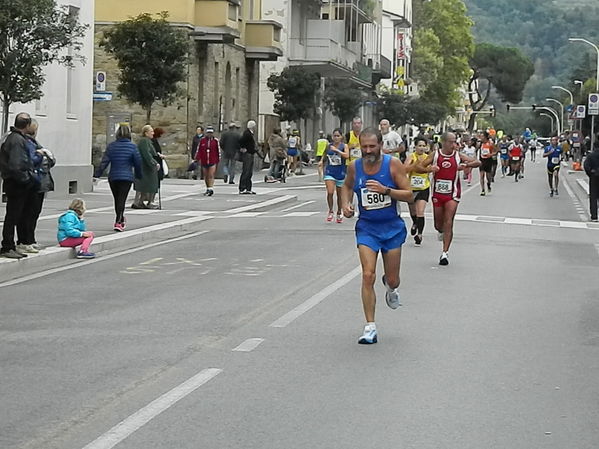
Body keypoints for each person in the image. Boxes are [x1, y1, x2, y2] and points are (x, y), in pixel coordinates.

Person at [341, 128, 413, 345]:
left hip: (391, 228)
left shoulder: (392, 165)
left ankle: (391, 287)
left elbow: (409, 195)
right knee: (368, 275)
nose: (368, 150)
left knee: (392, 278)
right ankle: (370, 326)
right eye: (364, 147)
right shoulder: (355, 167)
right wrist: (346, 204)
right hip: (367, 228)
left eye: (372, 146)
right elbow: (346, 186)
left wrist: (386, 191)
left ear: (381, 145)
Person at [415, 132, 481, 265]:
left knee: (448, 221)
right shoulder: (436, 155)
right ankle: (441, 231)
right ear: (443, 142)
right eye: (451, 142)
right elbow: (419, 167)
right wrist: (430, 169)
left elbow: (478, 162)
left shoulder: (457, 155)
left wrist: (466, 166)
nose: (454, 144)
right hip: (437, 194)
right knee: (438, 224)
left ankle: (445, 253)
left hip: (453, 194)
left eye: (455, 142)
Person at [0, 113, 38, 259]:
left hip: (14, 182)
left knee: (15, 215)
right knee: (13, 215)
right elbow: (17, 165)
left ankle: (9, 245)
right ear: (27, 126)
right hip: (16, 183)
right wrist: (27, 179)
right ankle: (7, 246)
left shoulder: (13, 138)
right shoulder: (17, 140)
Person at [17, 119, 55, 253]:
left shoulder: (34, 143)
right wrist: (42, 155)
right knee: (28, 214)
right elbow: (33, 161)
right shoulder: (27, 143)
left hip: (39, 182)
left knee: (33, 213)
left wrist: (45, 156)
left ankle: (30, 240)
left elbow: (51, 160)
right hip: (34, 182)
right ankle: (25, 240)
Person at [95, 124, 142, 231]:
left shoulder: (111, 146)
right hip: (126, 177)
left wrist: (97, 174)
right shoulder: (132, 147)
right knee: (122, 199)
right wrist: (139, 175)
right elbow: (138, 163)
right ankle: (119, 221)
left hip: (113, 177)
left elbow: (104, 162)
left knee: (117, 199)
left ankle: (119, 218)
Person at [405, 137, 431, 245]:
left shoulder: (428, 158)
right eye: (419, 146)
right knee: (413, 212)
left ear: (426, 147)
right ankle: (415, 223)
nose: (421, 148)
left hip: (424, 187)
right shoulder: (411, 157)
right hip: (412, 188)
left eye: (423, 146)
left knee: (420, 211)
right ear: (415, 147)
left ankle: (419, 235)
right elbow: (405, 169)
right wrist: (414, 165)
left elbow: (431, 169)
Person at [320, 128, 349, 223]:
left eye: (338, 136)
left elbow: (346, 156)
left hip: (340, 172)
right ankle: (330, 210)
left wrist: (337, 151)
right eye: (334, 136)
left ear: (341, 137)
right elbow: (324, 156)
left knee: (340, 195)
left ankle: (339, 212)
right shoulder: (329, 146)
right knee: (330, 192)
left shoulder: (344, 146)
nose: (336, 138)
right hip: (330, 171)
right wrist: (321, 161)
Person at [132, 125, 160, 209]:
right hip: (146, 168)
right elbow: (146, 154)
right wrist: (154, 163)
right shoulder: (144, 141)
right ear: (146, 133)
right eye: (151, 131)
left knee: (144, 185)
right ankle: (147, 202)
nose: (153, 133)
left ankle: (140, 202)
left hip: (146, 167)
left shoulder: (146, 141)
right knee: (148, 185)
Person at [195, 125, 220, 196]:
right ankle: (207, 188)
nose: (209, 134)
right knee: (206, 175)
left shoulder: (215, 141)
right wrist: (197, 158)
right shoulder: (202, 141)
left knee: (211, 174)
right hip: (204, 160)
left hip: (212, 160)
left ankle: (211, 188)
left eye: (211, 133)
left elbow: (218, 151)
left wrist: (218, 160)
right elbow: (199, 150)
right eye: (208, 133)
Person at [239, 120, 257, 194]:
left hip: (250, 153)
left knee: (249, 172)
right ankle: (242, 188)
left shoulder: (250, 133)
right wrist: (243, 148)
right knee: (246, 171)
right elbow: (241, 141)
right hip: (248, 154)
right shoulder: (247, 134)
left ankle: (248, 188)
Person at [583, 133, 599, 221]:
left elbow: (586, 166)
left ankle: (594, 216)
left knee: (593, 197)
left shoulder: (591, 155)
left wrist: (591, 173)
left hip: (594, 177)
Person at [151, 127, 167, 207]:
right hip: (156, 162)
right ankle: (151, 200)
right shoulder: (153, 141)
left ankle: (152, 199)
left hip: (158, 162)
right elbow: (154, 152)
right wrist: (159, 155)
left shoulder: (155, 141)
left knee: (157, 182)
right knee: (155, 182)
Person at [478, 131, 496, 196]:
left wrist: (490, 155)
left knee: (488, 176)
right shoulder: (480, 144)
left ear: (485, 137)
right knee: (481, 176)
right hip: (482, 160)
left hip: (488, 160)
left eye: (482, 136)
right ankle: (482, 190)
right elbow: (476, 149)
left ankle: (489, 184)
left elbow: (495, 151)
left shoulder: (491, 143)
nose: (481, 137)